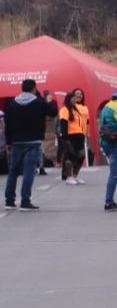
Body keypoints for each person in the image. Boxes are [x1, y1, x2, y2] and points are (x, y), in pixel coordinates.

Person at [4, 79, 59, 210]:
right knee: (29, 171)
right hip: (33, 142)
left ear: (21, 88)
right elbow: (53, 112)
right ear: (34, 88)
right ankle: (25, 201)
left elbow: (8, 125)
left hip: (16, 142)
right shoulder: (39, 102)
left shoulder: (12, 103)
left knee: (13, 172)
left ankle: (9, 201)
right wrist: (49, 101)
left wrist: (8, 141)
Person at [59, 88, 90, 185]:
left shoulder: (76, 110)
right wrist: (65, 139)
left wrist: (84, 133)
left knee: (81, 156)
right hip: (71, 136)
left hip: (79, 135)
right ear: (68, 99)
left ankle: (75, 175)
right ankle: (68, 176)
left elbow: (84, 123)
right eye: (73, 98)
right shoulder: (65, 109)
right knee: (70, 156)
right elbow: (63, 124)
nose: (74, 100)